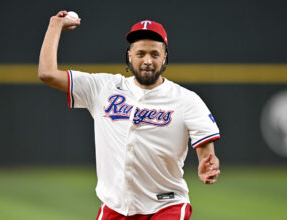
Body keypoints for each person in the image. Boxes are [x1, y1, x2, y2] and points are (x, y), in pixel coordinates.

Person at [38, 10, 221, 220]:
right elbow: (47, 74)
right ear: (129, 56)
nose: (147, 61)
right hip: (115, 207)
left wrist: (207, 163)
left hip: (166, 204)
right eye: (141, 53)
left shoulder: (186, 99)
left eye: (154, 54)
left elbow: (205, 148)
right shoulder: (103, 88)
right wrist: (55, 26)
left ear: (164, 58)